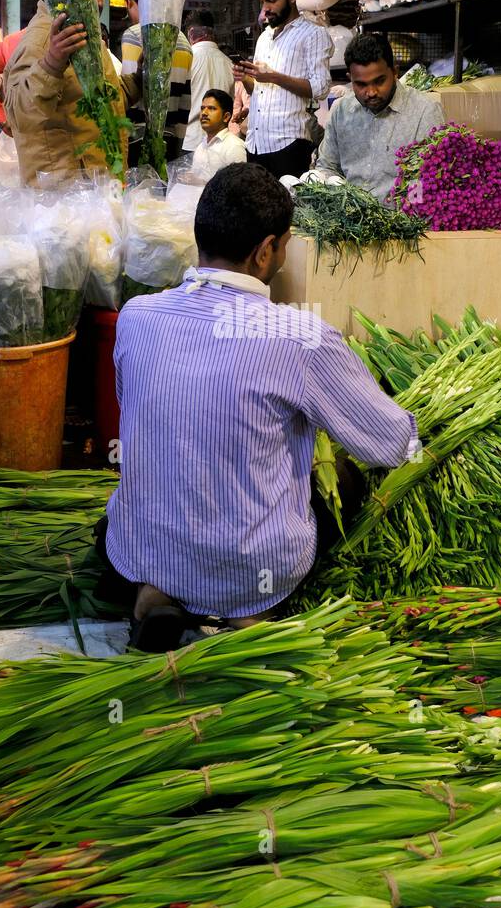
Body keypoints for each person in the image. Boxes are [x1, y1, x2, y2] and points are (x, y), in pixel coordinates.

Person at [102, 162, 419, 651]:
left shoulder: (137, 317)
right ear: (266, 250)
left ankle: (155, 591)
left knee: (142, 500)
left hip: (141, 544)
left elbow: (141, 410)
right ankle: (251, 611)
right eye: (286, 246)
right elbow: (390, 443)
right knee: (348, 482)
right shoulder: (300, 337)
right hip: (250, 563)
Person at [3, 0, 134, 186]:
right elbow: (18, 116)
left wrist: (140, 79)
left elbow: (101, 99)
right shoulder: (43, 39)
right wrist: (51, 64)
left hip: (93, 192)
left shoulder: (83, 34)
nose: (98, 2)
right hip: (64, 201)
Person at [314, 33, 445, 203]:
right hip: (350, 220)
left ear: (395, 72)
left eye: (379, 81)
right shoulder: (341, 111)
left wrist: (408, 216)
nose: (371, 92)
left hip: (402, 221)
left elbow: (431, 180)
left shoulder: (425, 112)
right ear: (350, 79)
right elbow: (327, 167)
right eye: (361, 84)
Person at [233, 0, 332, 180]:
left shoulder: (313, 34)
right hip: (256, 144)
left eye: (272, 0)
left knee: (290, 211)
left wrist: (273, 77)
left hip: (289, 144)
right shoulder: (264, 38)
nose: (265, 9)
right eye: (262, 2)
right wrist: (246, 78)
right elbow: (258, 90)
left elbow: (321, 88)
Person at [119, 0, 193, 164]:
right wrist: (177, 144)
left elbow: (128, 97)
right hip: (170, 141)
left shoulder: (134, 35)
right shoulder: (184, 41)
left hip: (137, 141)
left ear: (129, 1)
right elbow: (186, 102)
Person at [183, 10, 234, 153]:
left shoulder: (186, 60)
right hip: (220, 144)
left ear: (190, 33)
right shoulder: (229, 63)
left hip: (190, 142)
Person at [190, 89, 246, 181]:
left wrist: (202, 183)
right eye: (202, 108)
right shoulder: (201, 145)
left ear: (226, 117)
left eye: (211, 108)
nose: (204, 113)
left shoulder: (234, 146)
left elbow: (237, 186)